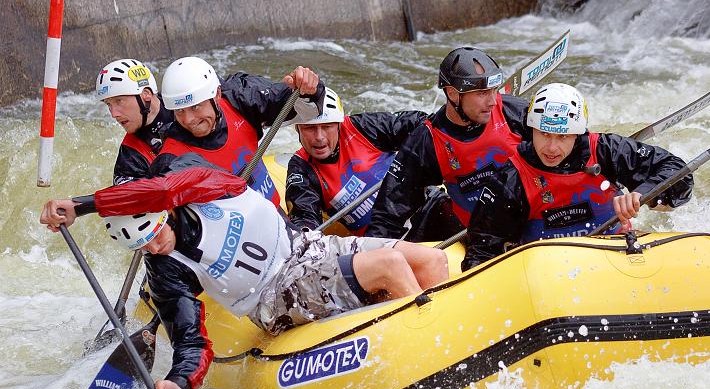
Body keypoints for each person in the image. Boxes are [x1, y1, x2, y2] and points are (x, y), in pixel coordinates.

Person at [39, 157, 449, 389]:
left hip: (308, 245)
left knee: (434, 261)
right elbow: (191, 343)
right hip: (275, 296)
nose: (152, 244)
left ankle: (449, 343)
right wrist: (178, 384)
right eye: (139, 244)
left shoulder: (204, 185)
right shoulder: (167, 272)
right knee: (391, 265)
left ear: (167, 211)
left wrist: (82, 205)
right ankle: (434, 363)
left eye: (153, 231)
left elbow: (160, 187)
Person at [462, 83, 694, 271]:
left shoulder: (606, 150)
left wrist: (643, 194)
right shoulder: (510, 178)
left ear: (577, 134)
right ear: (531, 129)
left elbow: (677, 172)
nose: (551, 148)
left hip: (615, 257)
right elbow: (482, 251)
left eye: (563, 137)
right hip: (548, 271)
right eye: (544, 134)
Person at [366, 47, 531, 239]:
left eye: (494, 90)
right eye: (482, 93)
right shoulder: (428, 140)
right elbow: (390, 213)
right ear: (453, 94)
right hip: (478, 239)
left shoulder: (515, 113)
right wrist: (372, 256)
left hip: (529, 225)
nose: (493, 101)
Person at [150, 56, 325, 209]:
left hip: (277, 216)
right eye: (180, 111)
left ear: (217, 95)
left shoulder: (239, 97)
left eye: (195, 107)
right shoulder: (171, 162)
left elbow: (304, 110)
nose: (188, 119)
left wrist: (309, 90)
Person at [286, 87, 432, 235]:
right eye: (309, 128)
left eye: (327, 126)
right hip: (382, 238)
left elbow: (419, 123)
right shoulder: (300, 168)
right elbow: (304, 216)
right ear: (298, 129)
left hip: (425, 206)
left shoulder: (360, 127)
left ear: (338, 125)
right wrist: (304, 232)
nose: (319, 137)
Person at [96, 59, 173, 185]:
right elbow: (123, 197)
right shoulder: (129, 158)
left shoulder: (184, 108)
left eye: (119, 101)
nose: (113, 114)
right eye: (108, 104)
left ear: (146, 94)